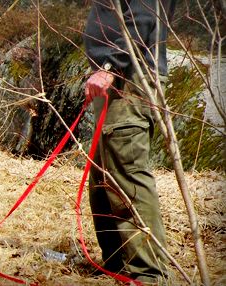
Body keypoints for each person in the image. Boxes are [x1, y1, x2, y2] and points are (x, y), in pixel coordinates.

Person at [83, 0, 176, 284]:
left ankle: (148, 275)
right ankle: (119, 267)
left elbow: (144, 12)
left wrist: (111, 63)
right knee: (103, 175)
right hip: (119, 74)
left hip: (129, 75)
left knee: (127, 174)